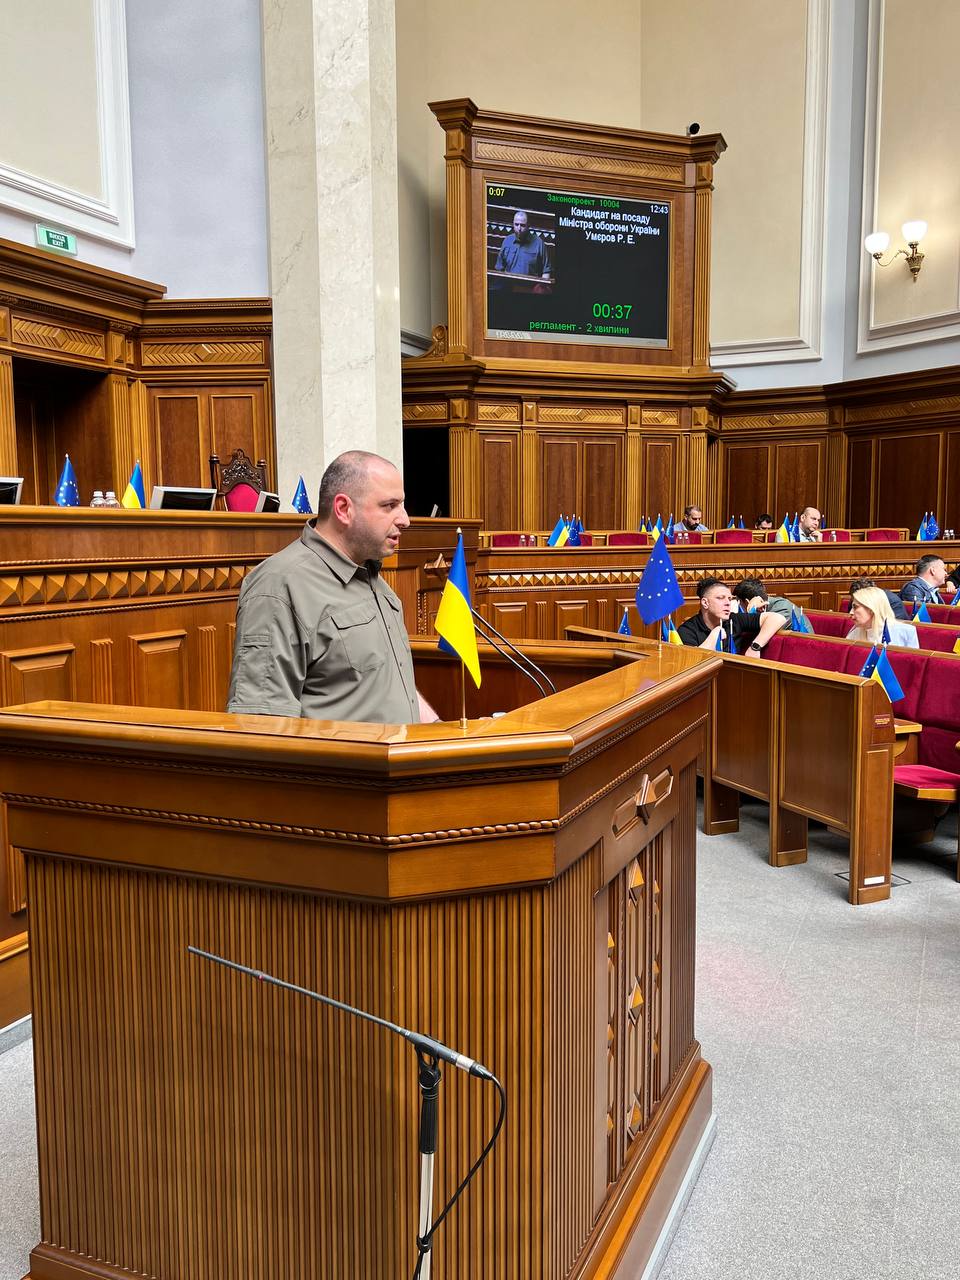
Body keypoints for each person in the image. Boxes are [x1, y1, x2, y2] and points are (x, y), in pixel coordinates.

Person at [227, 450, 438, 724]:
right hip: (348, 767)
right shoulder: (279, 586)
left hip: (403, 759)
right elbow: (261, 723)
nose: (405, 519)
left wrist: (438, 732)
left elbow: (384, 686)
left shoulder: (371, 575)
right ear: (343, 509)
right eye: (389, 506)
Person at [677, 577, 787, 654]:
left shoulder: (734, 619)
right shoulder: (686, 630)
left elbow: (778, 618)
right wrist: (715, 634)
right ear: (705, 603)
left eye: (729, 599)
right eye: (720, 598)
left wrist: (755, 647)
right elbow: (695, 662)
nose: (727, 603)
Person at [847, 585, 918, 648]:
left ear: (872, 609)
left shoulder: (906, 632)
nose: (851, 612)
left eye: (855, 607)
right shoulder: (854, 633)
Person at [494, 210, 551, 279]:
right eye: (516, 224)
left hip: (530, 287)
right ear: (513, 224)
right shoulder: (507, 241)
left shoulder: (539, 243)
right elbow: (499, 268)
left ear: (528, 226)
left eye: (523, 225)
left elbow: (546, 271)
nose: (519, 228)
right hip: (508, 285)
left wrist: (541, 287)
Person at [731, 577, 795, 622]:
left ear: (747, 602)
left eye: (739, 602)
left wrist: (751, 612)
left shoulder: (782, 609)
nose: (738, 606)